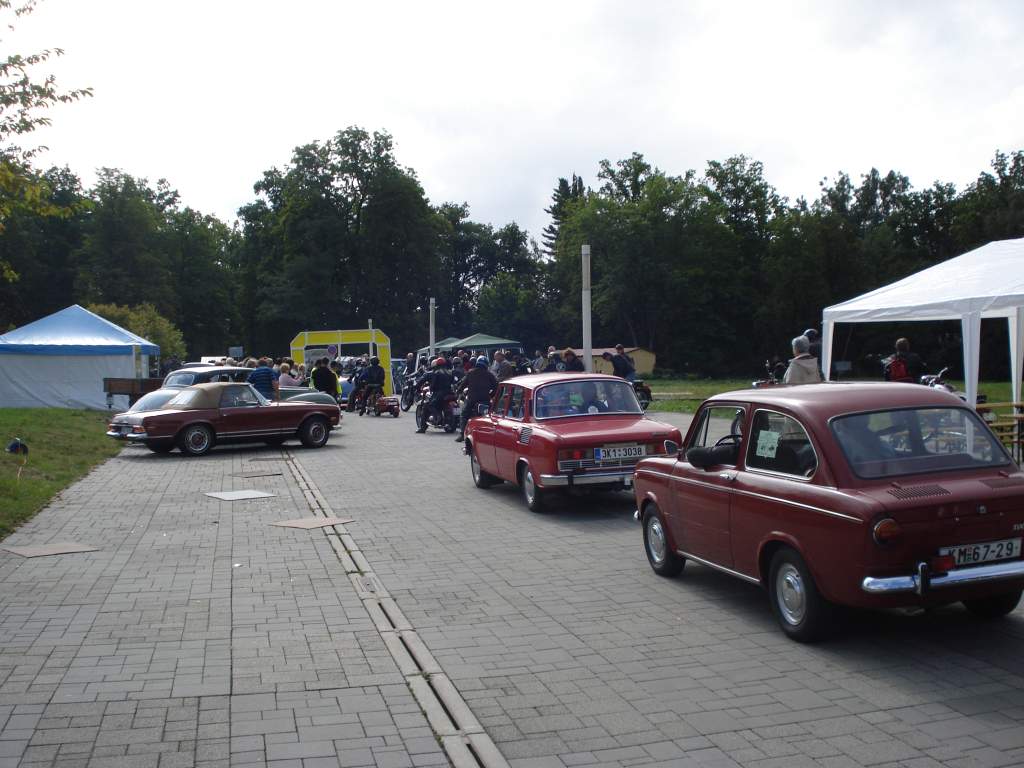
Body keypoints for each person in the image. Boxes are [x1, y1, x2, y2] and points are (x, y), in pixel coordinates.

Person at [455, 356, 497, 442]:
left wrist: (458, 391)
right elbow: (496, 387)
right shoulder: (489, 374)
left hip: (472, 399)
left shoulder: (470, 373)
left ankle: (462, 434)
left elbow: (463, 384)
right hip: (485, 399)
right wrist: (491, 395)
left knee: (464, 414)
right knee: (491, 416)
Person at [416, 357, 453, 433]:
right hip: (450, 393)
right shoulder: (450, 372)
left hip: (439, 393)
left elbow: (423, 382)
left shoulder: (433, 373)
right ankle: (446, 422)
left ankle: (423, 427)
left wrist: (417, 387)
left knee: (427, 406)